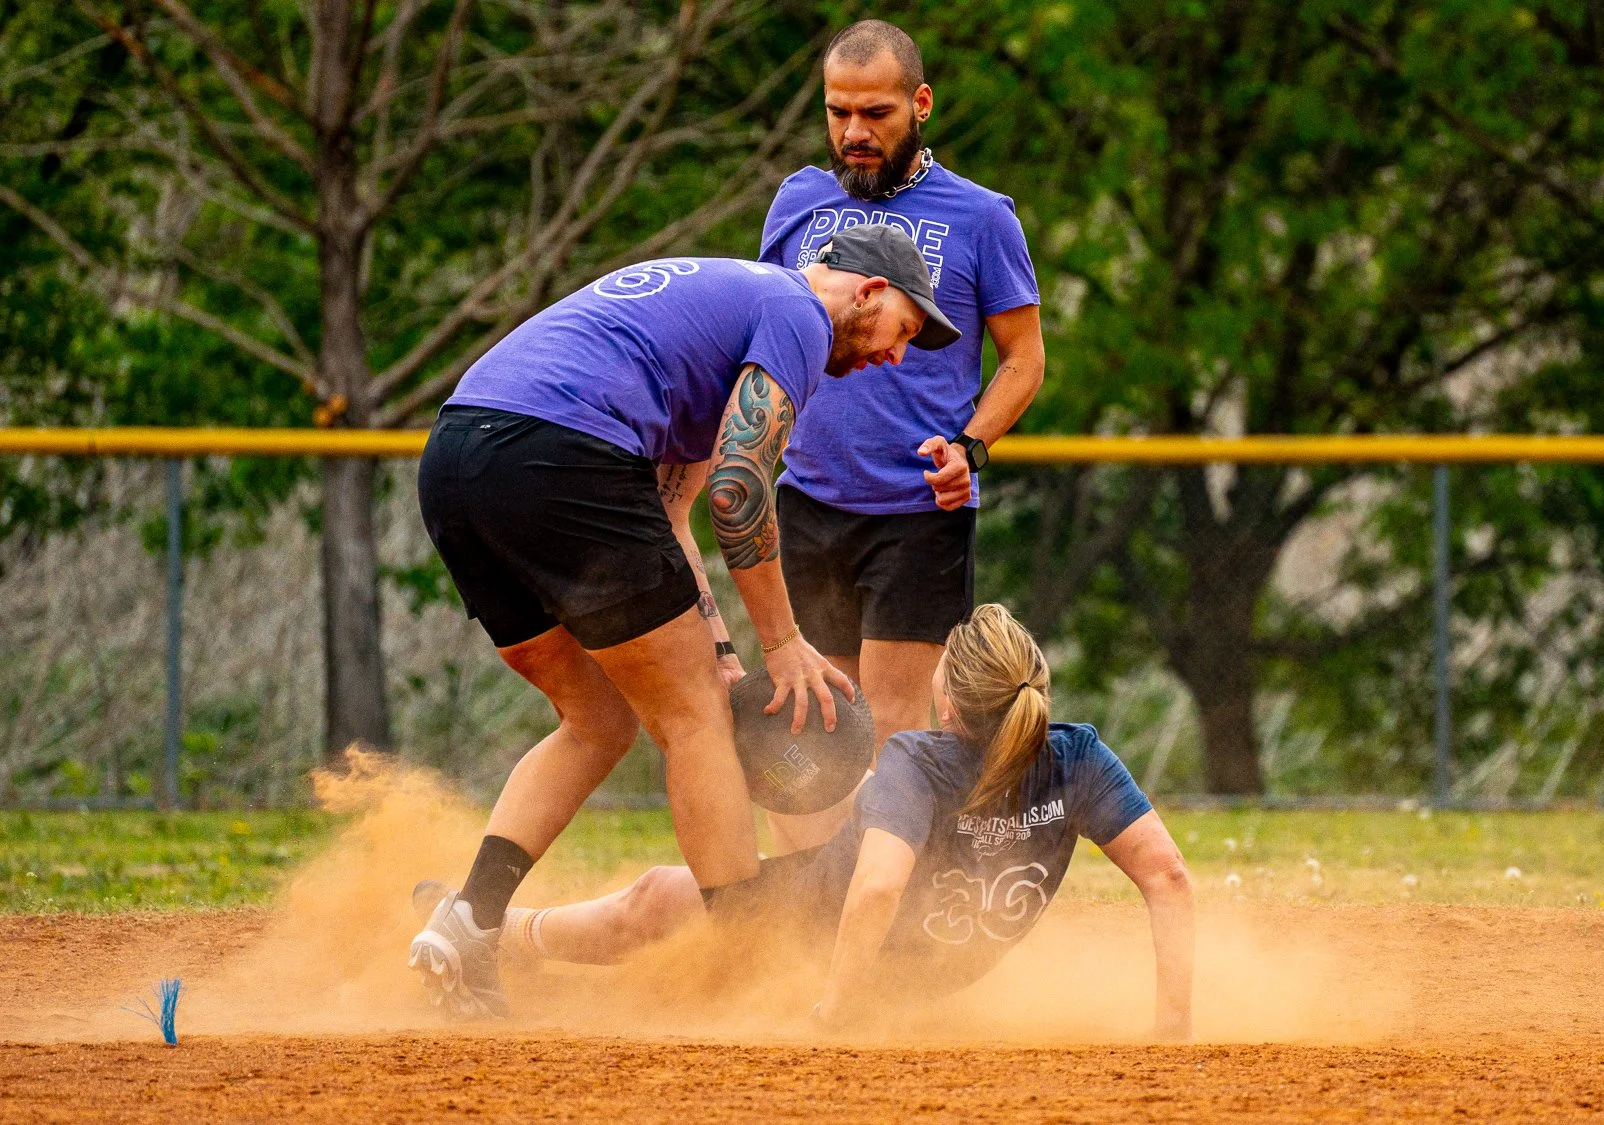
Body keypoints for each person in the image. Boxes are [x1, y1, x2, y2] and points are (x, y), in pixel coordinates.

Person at [409, 224, 960, 1019]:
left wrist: (725, 651)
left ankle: (469, 919)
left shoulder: (719, 324)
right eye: (903, 329)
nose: (895, 355)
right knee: (693, 715)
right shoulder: (798, 313)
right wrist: (784, 642)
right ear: (867, 289)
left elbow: (674, 517)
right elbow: (740, 491)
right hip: (561, 454)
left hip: (461, 459)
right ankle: (744, 958)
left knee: (598, 719)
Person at [418, 605, 1196, 1038]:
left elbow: (876, 892)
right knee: (838, 788)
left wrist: (836, 1009)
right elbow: (1167, 876)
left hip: (808, 936)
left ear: (950, 704)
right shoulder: (1079, 757)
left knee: (656, 900)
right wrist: (1173, 1027)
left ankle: (506, 933)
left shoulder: (920, 762)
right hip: (926, 972)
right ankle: (507, 933)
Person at [757, 21, 1049, 851]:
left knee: (887, 724)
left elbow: (1024, 362)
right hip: (806, 497)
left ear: (920, 104)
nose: (855, 131)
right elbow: (769, 331)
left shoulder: (981, 217)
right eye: (838, 111)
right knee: (806, 721)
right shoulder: (795, 203)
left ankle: (885, 911)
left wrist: (972, 446)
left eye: (876, 111)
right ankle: (812, 902)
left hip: (917, 508)